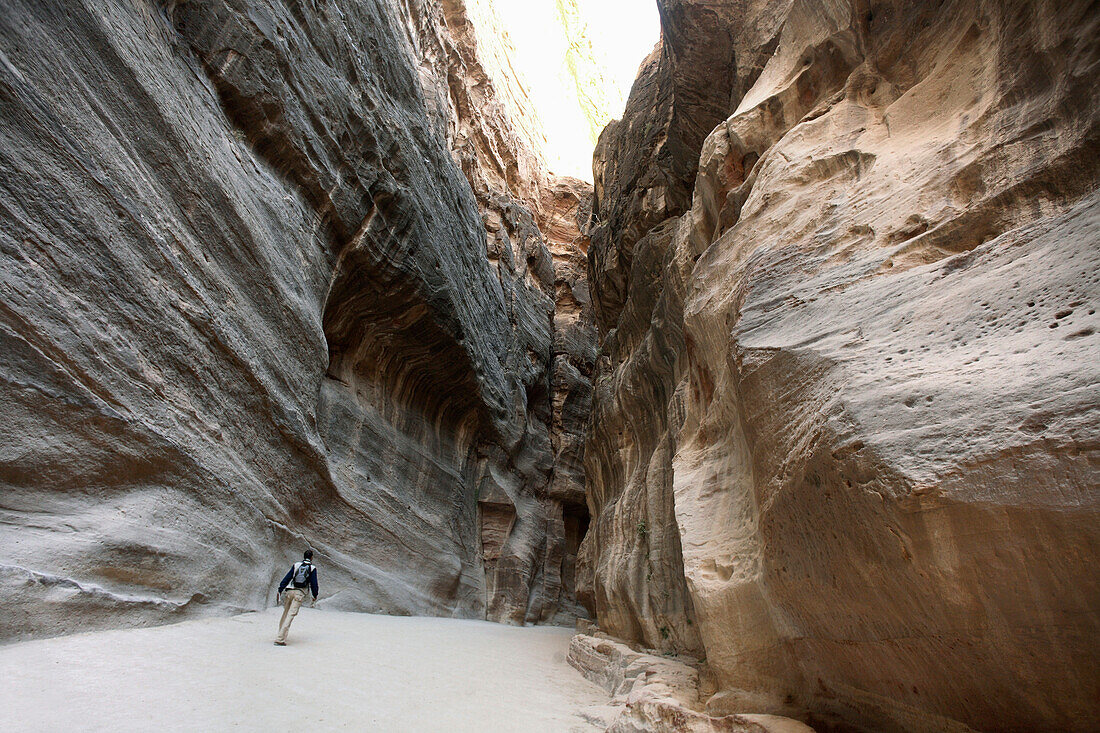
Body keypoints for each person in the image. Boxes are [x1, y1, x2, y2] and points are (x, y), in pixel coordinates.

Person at [274, 549, 318, 645]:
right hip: (299, 593)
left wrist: (280, 589)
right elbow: (314, 583)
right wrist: (315, 595)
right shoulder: (312, 568)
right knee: (290, 615)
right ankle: (280, 639)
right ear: (311, 557)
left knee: (285, 613)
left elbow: (287, 577)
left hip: (289, 591)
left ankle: (280, 634)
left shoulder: (296, 565)